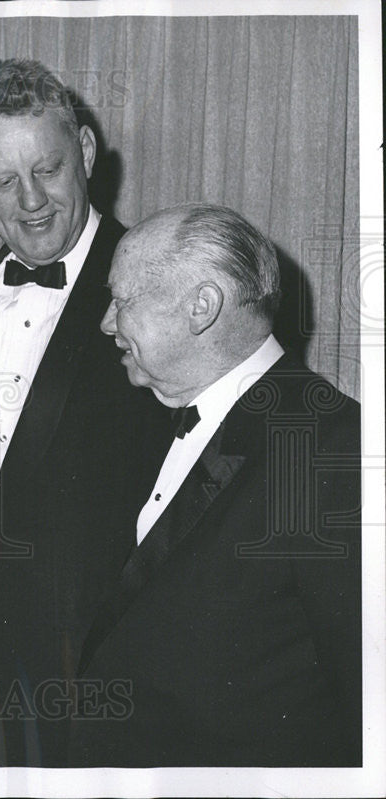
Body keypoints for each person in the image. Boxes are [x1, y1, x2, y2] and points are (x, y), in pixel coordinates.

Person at [68, 203, 361, 766]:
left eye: (123, 300)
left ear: (201, 307)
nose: (107, 321)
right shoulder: (154, 416)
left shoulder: (334, 449)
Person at [0, 58, 170, 766]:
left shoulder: (156, 283)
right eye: (3, 181)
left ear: (89, 155)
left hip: (101, 666)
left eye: (48, 169)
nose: (32, 200)